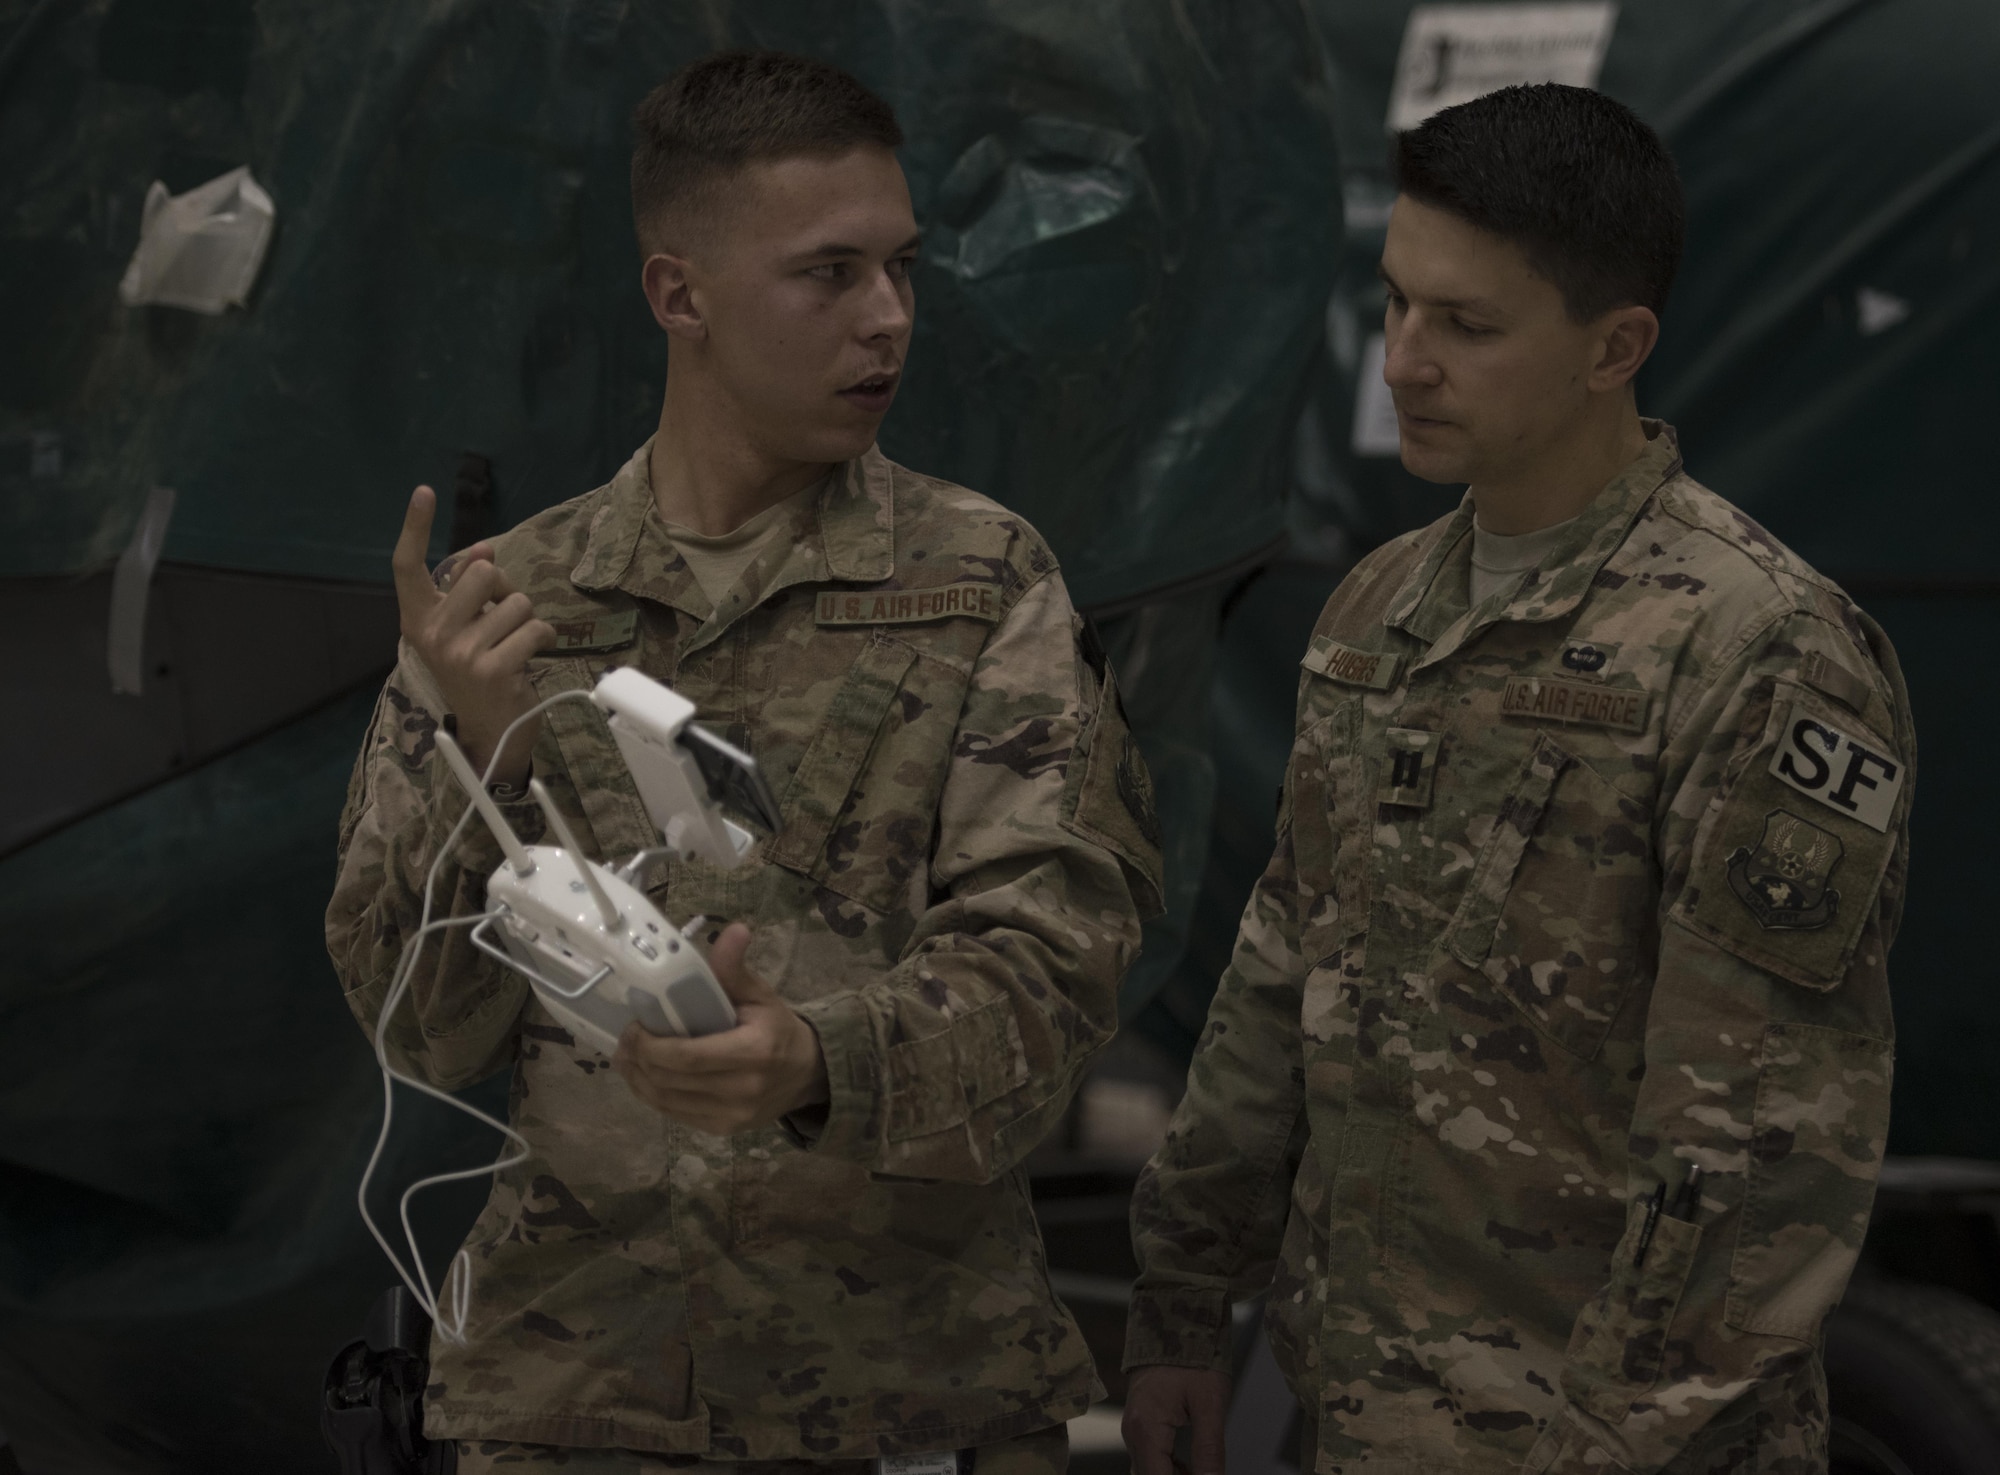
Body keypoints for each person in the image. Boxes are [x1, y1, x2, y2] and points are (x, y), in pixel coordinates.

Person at [327, 50, 1163, 1475]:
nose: (887, 319)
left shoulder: (979, 583)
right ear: (680, 296)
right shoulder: (515, 605)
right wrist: (475, 752)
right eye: (827, 276)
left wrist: (817, 1061)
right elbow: (421, 1028)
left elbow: (1053, 969)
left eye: (902, 268)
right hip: (582, 1395)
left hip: (907, 1389)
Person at [1121, 83, 1912, 1474]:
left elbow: (1762, 1146)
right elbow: (1275, 980)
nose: (1403, 363)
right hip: (1365, 1414)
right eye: (1396, 305)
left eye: (1468, 327)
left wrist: (1609, 1445)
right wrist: (1185, 1303)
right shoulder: (1379, 612)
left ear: (1617, 347)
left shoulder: (1757, 644)